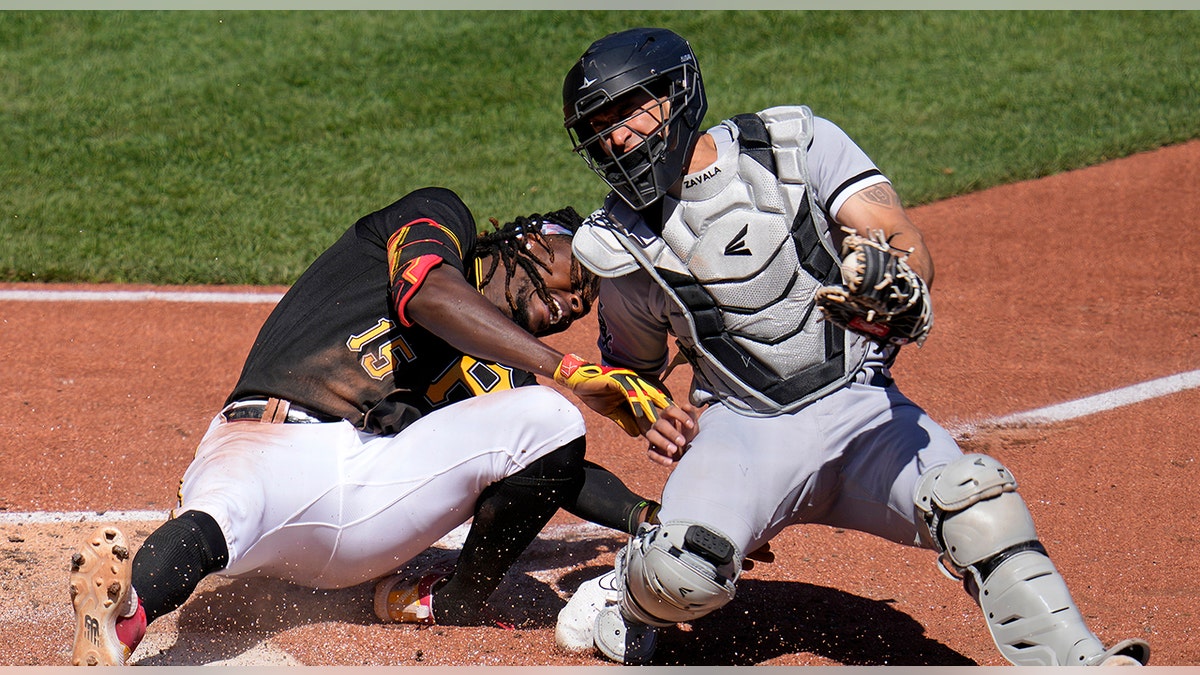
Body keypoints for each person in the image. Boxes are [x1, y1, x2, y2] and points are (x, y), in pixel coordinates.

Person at [551, 27, 1151, 667]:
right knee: (685, 571)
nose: (615, 137)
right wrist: (654, 411)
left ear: (676, 93)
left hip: (864, 413)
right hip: (743, 432)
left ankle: (1081, 662)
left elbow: (892, 231)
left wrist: (899, 281)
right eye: (600, 127)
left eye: (625, 112)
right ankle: (626, 595)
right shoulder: (617, 245)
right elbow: (632, 369)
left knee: (977, 501)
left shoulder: (793, 145)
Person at [68, 186, 679, 666]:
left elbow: (557, 467)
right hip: (260, 450)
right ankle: (118, 627)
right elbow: (427, 296)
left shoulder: (500, 377)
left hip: (366, 505)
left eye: (589, 301)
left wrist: (662, 521)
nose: (578, 300)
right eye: (579, 274)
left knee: (549, 417)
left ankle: (451, 602)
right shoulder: (438, 219)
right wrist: (565, 367)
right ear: (533, 237)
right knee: (216, 518)